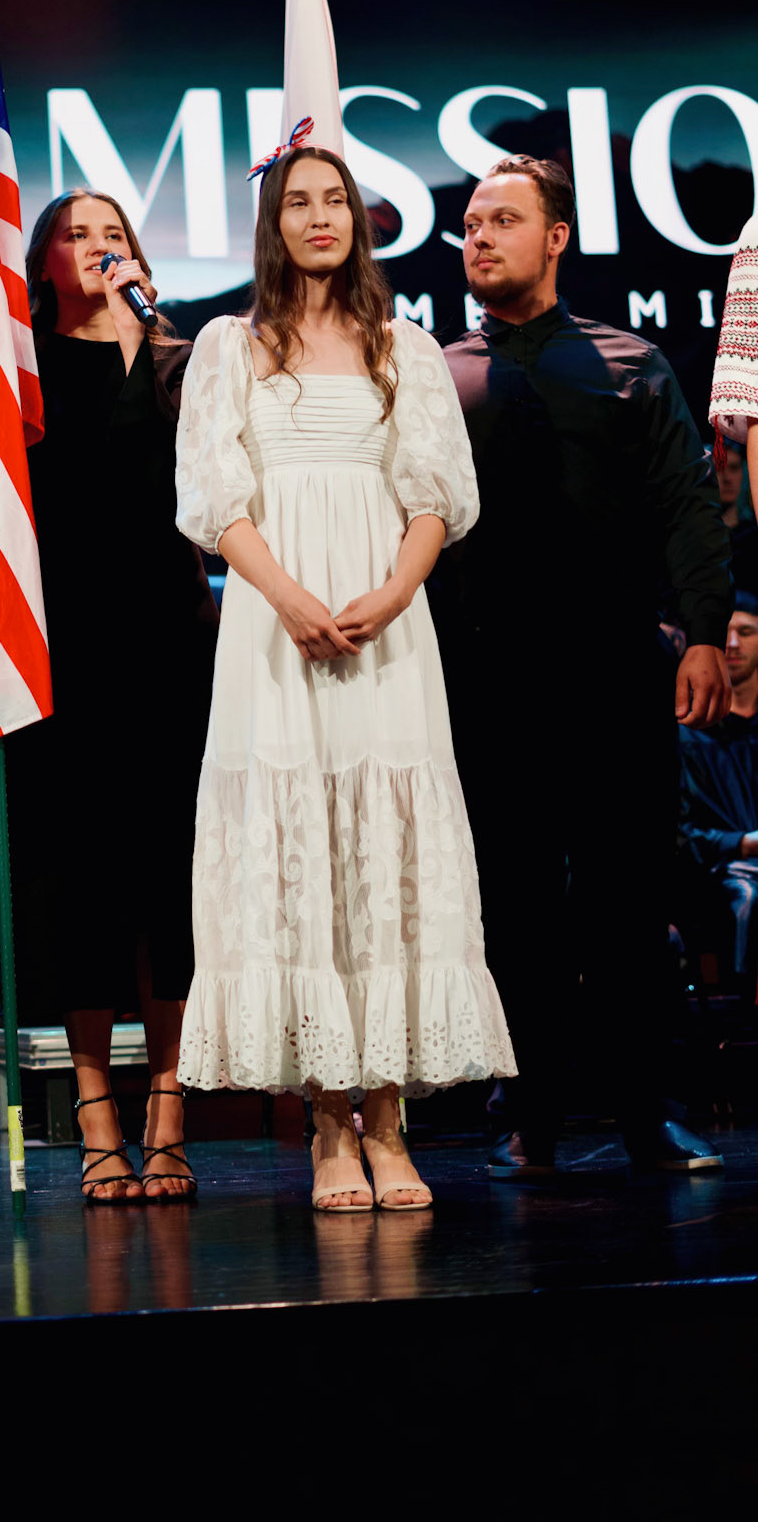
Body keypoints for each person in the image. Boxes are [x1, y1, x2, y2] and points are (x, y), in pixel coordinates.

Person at [174, 140, 514, 1212]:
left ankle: (390, 1120)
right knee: (302, 849)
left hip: (386, 628)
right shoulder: (230, 347)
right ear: (272, 224)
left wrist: (393, 592)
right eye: (298, 202)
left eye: (335, 200)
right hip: (275, 631)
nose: (319, 217)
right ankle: (328, 1125)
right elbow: (214, 499)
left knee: (384, 848)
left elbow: (435, 494)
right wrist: (286, 596)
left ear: (358, 221)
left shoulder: (402, 347)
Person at [438, 155, 730, 1177]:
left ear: (555, 236)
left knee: (627, 897)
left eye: (502, 220)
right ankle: (529, 1114)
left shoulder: (629, 362)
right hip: (486, 679)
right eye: (471, 223)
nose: (479, 237)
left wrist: (702, 630)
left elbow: (685, 503)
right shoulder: (437, 375)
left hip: (612, 670)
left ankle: (648, 1112)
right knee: (512, 903)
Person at [3, 191, 218, 1202]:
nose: (98, 248)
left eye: (114, 234)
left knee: (172, 880)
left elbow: (205, 491)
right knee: (79, 883)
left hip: (170, 649)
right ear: (42, 260)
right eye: (76, 234)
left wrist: (143, 334)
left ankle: (168, 1108)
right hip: (61, 655)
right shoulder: (17, 370)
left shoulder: (183, 363)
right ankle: (96, 1110)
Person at [677, 594, 758, 982]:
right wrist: (744, 843)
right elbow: (680, 834)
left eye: (747, 631)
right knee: (746, 894)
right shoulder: (688, 735)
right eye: (725, 632)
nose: (733, 643)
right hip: (715, 870)